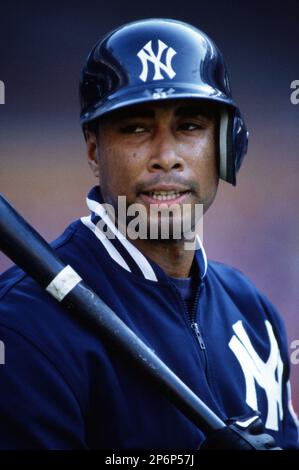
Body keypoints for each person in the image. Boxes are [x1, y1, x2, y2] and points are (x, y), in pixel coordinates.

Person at [0, 18, 298, 450]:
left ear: (228, 145)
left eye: (190, 126)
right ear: (92, 150)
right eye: (136, 128)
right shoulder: (24, 326)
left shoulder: (254, 313)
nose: (166, 157)